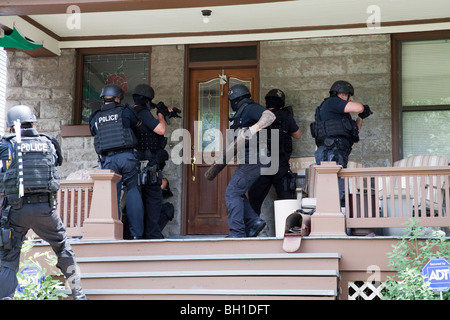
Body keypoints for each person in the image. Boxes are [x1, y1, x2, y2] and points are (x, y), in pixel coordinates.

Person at [0, 105, 87, 300]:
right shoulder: (49, 142)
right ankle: (79, 295)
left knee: (7, 260)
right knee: (64, 249)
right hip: (45, 210)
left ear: (13, 126)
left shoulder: (6, 145)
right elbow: (56, 163)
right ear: (33, 121)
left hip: (15, 211)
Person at [89, 84, 145, 239]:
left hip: (108, 161)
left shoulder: (95, 117)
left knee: (112, 196)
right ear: (118, 98)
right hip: (127, 157)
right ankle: (136, 235)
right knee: (133, 191)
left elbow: (94, 132)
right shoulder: (125, 111)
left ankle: (113, 235)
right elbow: (139, 125)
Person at [225, 84, 276, 238]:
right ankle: (254, 221)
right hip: (251, 159)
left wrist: (252, 129)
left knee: (232, 193)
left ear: (235, 100)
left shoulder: (249, 108)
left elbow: (270, 117)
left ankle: (237, 232)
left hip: (255, 159)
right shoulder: (242, 113)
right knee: (237, 192)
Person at [311, 80, 372, 206]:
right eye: (349, 97)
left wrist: (361, 117)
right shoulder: (332, 102)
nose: (350, 100)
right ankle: (334, 220)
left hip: (337, 151)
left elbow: (355, 131)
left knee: (339, 189)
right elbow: (359, 107)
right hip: (331, 151)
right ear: (343, 94)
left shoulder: (339, 113)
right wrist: (363, 108)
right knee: (335, 190)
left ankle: (340, 216)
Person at [248, 89, 301, 215]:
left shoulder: (259, 116)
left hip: (262, 165)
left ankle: (250, 230)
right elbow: (298, 135)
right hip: (280, 165)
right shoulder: (286, 116)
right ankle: (287, 231)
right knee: (287, 202)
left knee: (254, 201)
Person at [131, 84, 168, 239]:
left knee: (137, 197)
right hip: (149, 164)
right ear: (146, 100)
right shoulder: (144, 113)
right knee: (154, 198)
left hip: (134, 162)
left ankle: (137, 234)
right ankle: (152, 234)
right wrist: (161, 115)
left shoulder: (129, 113)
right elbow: (161, 130)